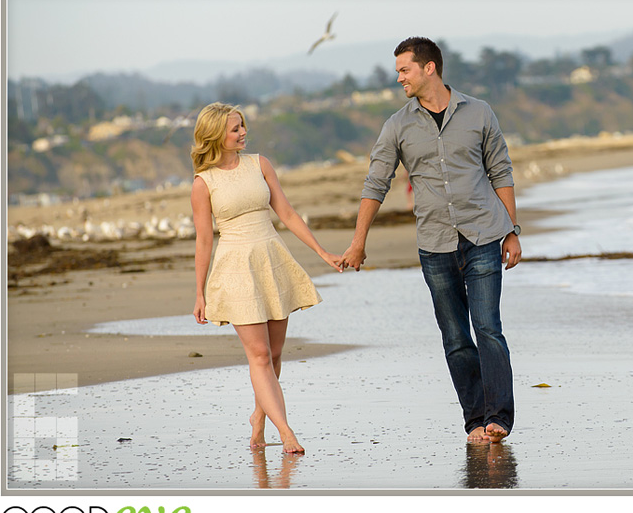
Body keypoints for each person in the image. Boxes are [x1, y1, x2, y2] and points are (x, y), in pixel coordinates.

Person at [341, 37, 522, 443]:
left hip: (483, 235)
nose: (399, 78)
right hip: (435, 246)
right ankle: (475, 420)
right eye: (398, 71)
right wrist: (358, 243)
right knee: (456, 338)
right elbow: (376, 184)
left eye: (404, 70)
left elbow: (501, 172)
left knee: (488, 328)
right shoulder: (397, 126)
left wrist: (512, 230)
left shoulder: (479, 113)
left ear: (429, 68)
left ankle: (499, 418)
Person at [190, 102, 343, 454]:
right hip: (235, 267)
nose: (242, 132)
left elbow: (286, 212)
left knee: (273, 354)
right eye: (235, 129)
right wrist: (199, 293)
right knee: (258, 355)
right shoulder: (203, 183)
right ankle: (287, 432)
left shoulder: (260, 164)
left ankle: (258, 418)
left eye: (242, 126)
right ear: (216, 135)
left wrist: (322, 252)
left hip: (271, 259)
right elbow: (203, 240)